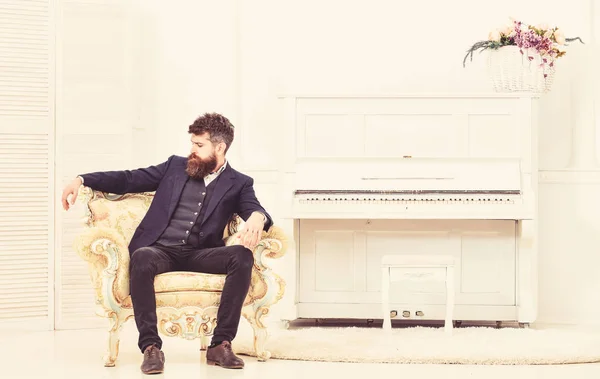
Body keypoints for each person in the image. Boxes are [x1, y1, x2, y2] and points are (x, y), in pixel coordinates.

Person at [61, 113, 272, 374]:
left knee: (241, 255)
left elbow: (255, 208)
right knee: (142, 256)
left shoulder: (239, 183)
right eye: (192, 143)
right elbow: (129, 179)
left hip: (200, 254)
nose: (192, 150)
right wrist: (82, 179)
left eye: (199, 145)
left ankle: (220, 344)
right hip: (161, 250)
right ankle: (151, 348)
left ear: (220, 148)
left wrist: (257, 216)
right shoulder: (175, 166)